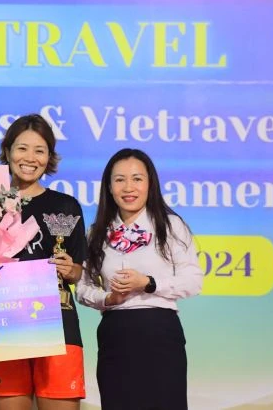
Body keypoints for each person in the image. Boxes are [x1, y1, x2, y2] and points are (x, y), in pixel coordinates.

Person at [76, 148, 203, 410]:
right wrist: (108, 298)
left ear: (150, 184)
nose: (128, 187)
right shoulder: (97, 232)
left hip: (160, 331)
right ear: (109, 187)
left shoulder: (170, 226)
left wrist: (149, 282)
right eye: (119, 179)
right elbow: (83, 288)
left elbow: (193, 281)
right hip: (116, 333)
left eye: (137, 178)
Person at [0, 114, 87, 410]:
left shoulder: (65, 206)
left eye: (39, 150)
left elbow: (79, 271)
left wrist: (71, 268)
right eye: (22, 148)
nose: (30, 158)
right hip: (2, 326)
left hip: (57, 326)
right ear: (8, 151)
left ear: (49, 157)